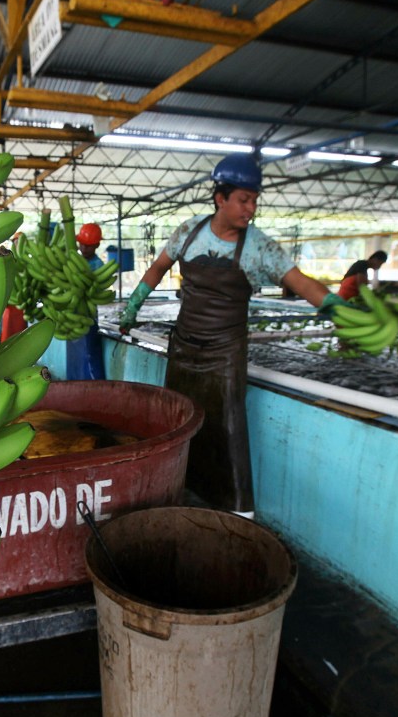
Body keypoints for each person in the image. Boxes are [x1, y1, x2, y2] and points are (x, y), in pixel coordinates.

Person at [116, 154, 338, 513]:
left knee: (228, 430)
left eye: (255, 200)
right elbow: (158, 267)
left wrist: (335, 307)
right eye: (244, 199)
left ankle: (238, 512)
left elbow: (301, 283)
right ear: (221, 198)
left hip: (224, 353)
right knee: (180, 420)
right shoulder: (189, 231)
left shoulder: (259, 246)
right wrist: (133, 306)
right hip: (184, 346)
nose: (251, 208)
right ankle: (177, 491)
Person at [68, 222, 108, 379]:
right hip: (71, 317)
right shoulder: (73, 259)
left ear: (97, 245)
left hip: (88, 317)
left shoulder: (99, 266)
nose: (84, 249)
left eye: (89, 246)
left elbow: (96, 293)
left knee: (91, 355)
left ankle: (97, 387)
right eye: (82, 244)